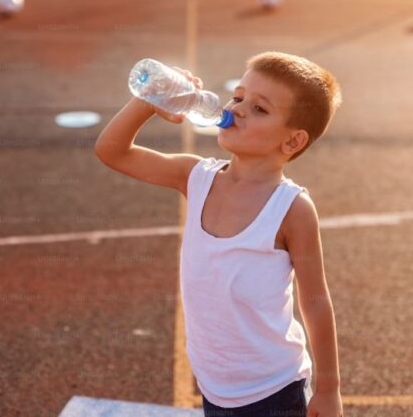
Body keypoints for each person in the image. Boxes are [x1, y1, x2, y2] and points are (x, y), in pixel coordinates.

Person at [95, 51, 343, 417]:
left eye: (260, 109)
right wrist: (149, 100)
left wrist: (328, 389)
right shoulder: (194, 176)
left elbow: (316, 301)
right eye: (238, 97)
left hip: (275, 391)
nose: (238, 109)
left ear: (292, 142)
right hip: (215, 388)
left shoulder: (291, 209)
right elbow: (112, 151)